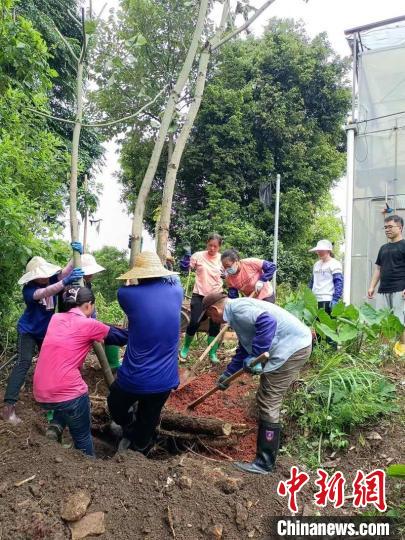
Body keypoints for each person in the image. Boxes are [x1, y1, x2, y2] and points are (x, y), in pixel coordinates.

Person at [202, 292, 312, 475]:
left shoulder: (238, 310)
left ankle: (264, 462)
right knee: (266, 397)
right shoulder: (236, 310)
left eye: (209, 316)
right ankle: (270, 449)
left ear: (214, 309)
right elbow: (244, 348)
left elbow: (267, 322)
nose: (212, 320)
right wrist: (228, 374)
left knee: (269, 400)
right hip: (295, 344)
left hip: (293, 348)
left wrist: (258, 356)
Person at [33, 287, 127, 457]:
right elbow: (120, 337)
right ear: (89, 305)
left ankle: (55, 427)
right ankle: (89, 466)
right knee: (82, 434)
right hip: (67, 393)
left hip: (41, 391)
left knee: (65, 399)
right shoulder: (89, 324)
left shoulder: (55, 318)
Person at [107, 251, 183, 455]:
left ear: (138, 273)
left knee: (115, 404)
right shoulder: (177, 290)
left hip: (134, 379)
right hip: (166, 381)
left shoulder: (126, 295)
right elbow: (173, 277)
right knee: (149, 416)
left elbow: (124, 287)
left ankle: (128, 426)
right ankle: (140, 446)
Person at [3, 243, 84, 425]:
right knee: (23, 363)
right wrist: (64, 282)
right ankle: (8, 407)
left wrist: (78, 253)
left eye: (44, 275)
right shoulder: (29, 291)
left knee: (52, 364)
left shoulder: (52, 278)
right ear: (33, 277)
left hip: (46, 331)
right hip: (28, 331)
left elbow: (66, 271)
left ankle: (54, 404)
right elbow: (47, 291)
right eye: (39, 276)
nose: (44, 278)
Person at [179, 233, 223, 363]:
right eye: (210, 245)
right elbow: (185, 268)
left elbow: (228, 274)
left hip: (216, 296)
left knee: (215, 324)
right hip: (199, 294)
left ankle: (212, 353)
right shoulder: (198, 256)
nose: (212, 249)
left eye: (215, 246)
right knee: (194, 322)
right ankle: (185, 348)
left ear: (219, 247)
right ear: (206, 244)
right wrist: (186, 258)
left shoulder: (222, 259)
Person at [368, 215, 405, 356]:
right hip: (383, 290)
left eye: (390, 227)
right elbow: (378, 269)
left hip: (400, 290)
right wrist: (372, 286)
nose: (387, 230)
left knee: (400, 324)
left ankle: (401, 355)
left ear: (400, 227)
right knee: (383, 322)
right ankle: (383, 354)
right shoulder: (383, 248)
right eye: (385, 227)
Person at [309, 240, 343, 313]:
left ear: (328, 251)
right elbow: (312, 281)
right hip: (314, 299)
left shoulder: (335, 264)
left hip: (327, 299)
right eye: (318, 250)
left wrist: (335, 299)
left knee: (325, 323)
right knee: (314, 323)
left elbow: (338, 282)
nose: (319, 252)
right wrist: (308, 294)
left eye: (322, 250)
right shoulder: (316, 264)